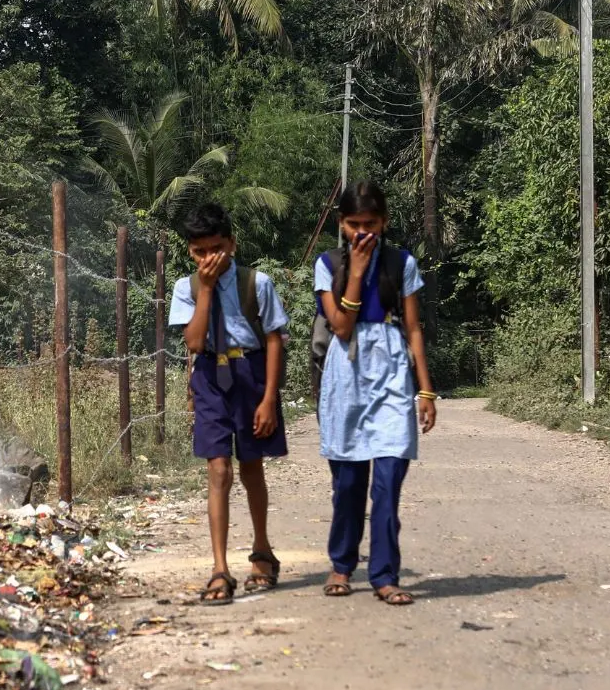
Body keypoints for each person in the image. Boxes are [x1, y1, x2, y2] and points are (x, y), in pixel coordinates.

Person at [313, 181, 438, 606]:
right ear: (342, 224)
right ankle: (342, 565)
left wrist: (425, 389)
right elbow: (341, 327)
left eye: (370, 224)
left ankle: (385, 574)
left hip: (390, 374)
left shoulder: (402, 263)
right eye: (353, 224)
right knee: (348, 482)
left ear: (383, 222)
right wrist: (358, 273)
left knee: (388, 481)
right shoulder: (327, 265)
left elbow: (414, 328)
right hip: (346, 375)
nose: (362, 232)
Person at [170, 202, 289, 605]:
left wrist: (269, 398)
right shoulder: (186, 289)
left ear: (232, 245)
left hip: (251, 375)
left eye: (216, 249)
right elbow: (193, 342)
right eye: (200, 251)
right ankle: (220, 567)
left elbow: (274, 339)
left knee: (251, 467)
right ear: (191, 251)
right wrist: (204, 290)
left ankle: (262, 553)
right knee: (218, 469)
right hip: (208, 377)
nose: (208, 258)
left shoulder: (258, 283)